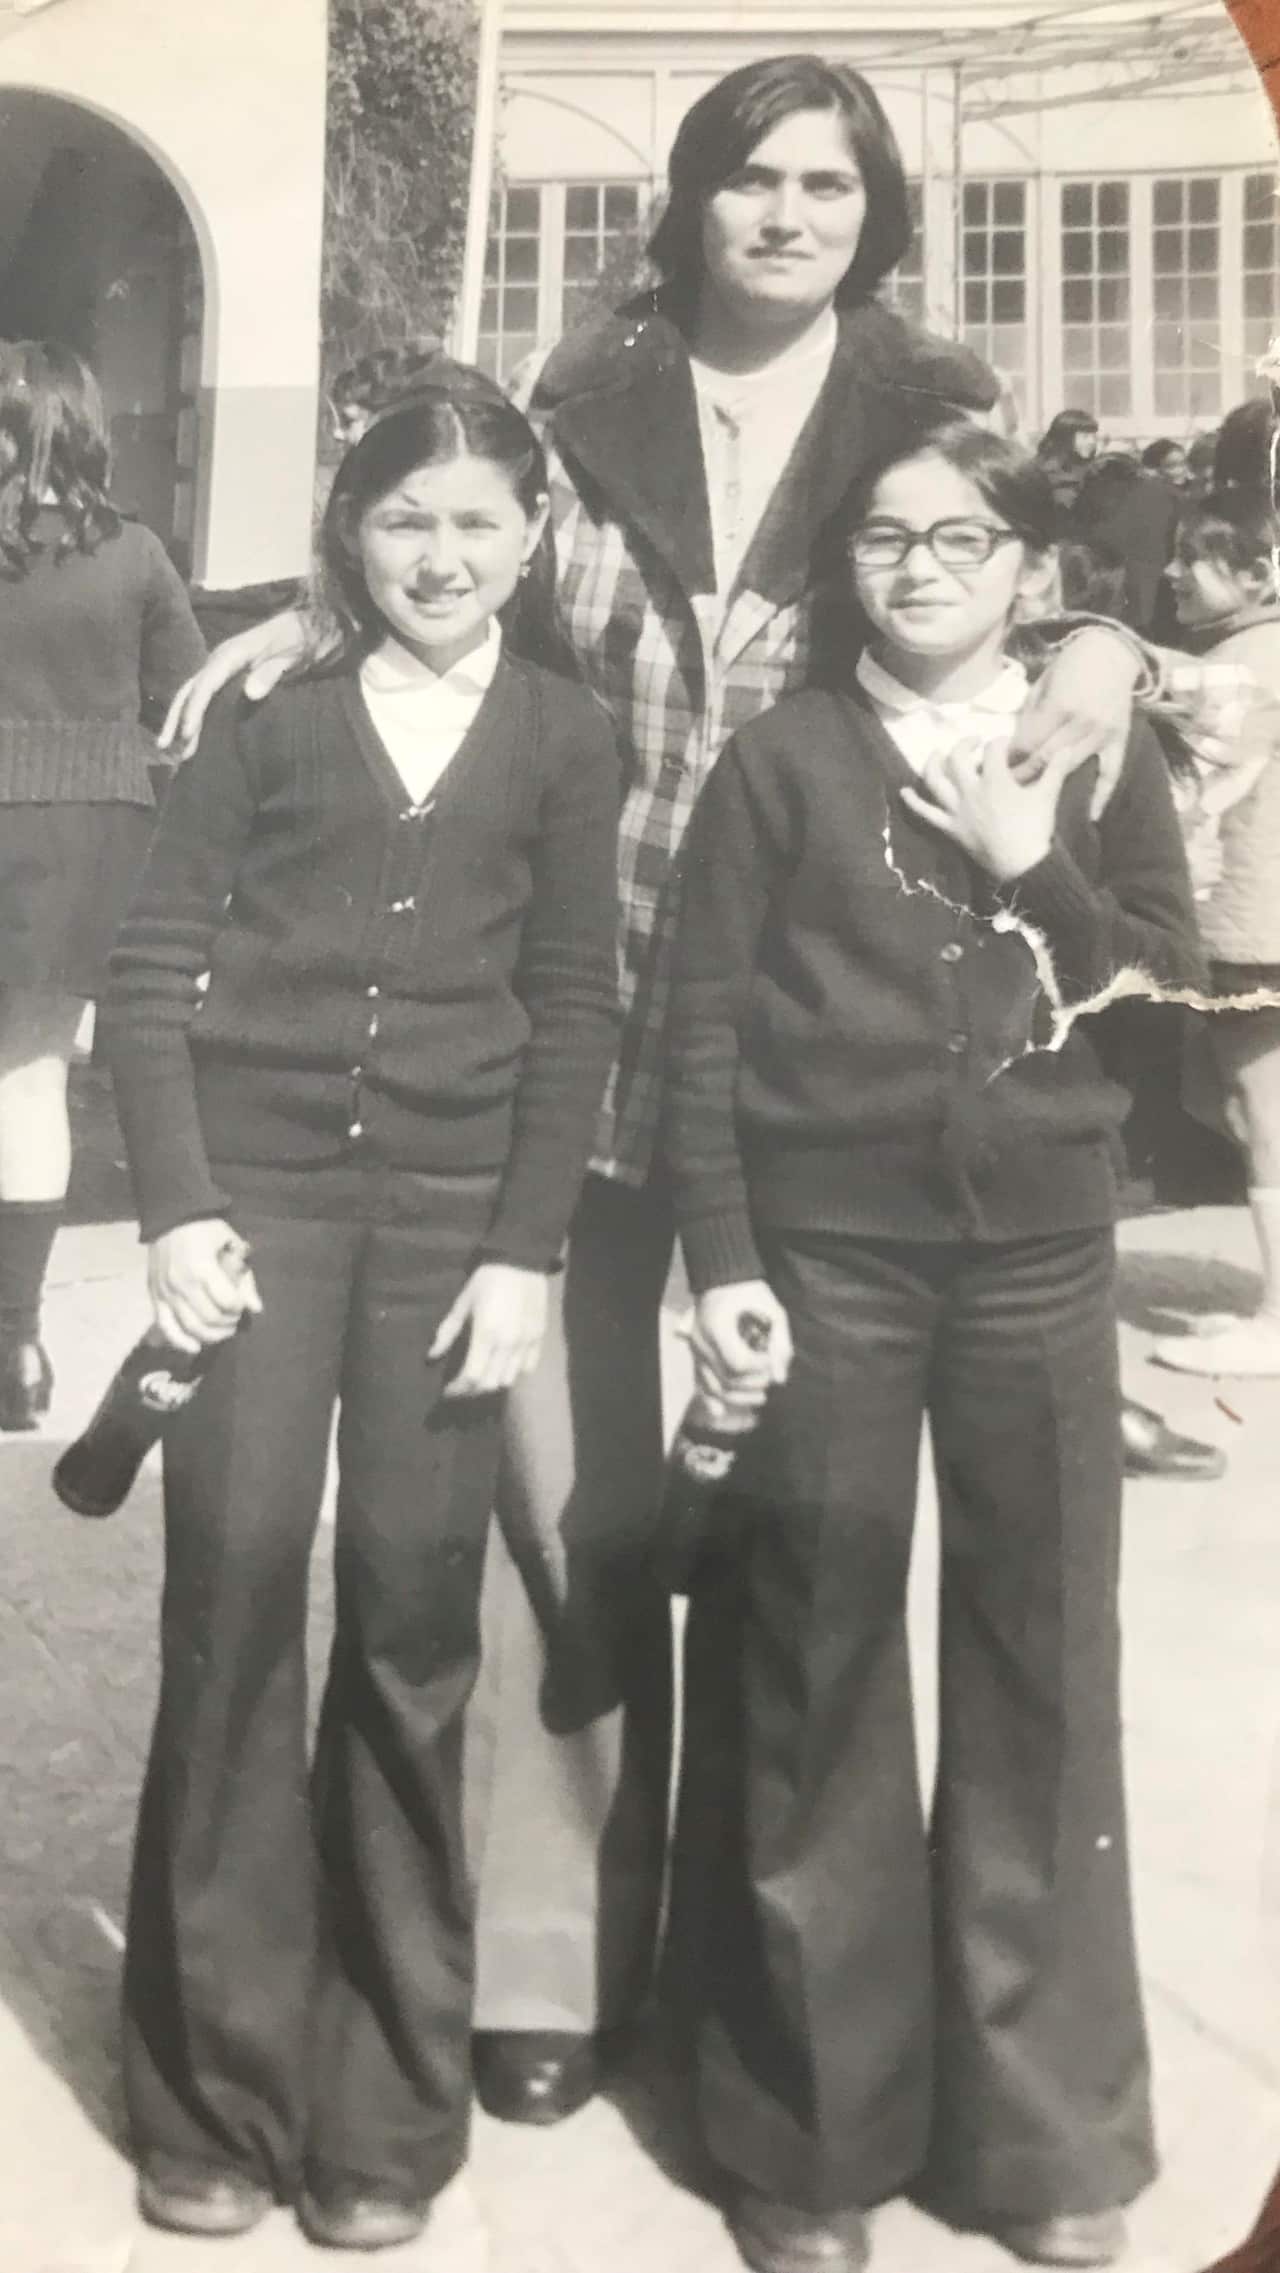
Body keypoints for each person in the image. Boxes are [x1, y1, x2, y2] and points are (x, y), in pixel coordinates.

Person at [155, 55, 1157, 2126]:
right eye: (745, 181)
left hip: (820, 1041)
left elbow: (997, 586)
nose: (783, 217)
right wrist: (285, 627)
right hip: (570, 1023)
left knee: (794, 1533)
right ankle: (541, 1956)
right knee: (566, 1508)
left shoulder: (930, 407)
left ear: (873, 218)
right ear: (687, 200)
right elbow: (442, 549)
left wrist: (1110, 651)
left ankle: (781, 1990)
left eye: (825, 186)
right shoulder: (585, 390)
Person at [664, 421, 1203, 2273]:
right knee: (809, 1657)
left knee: (1040, 1656)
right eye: (881, 540)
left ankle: (1041, 2128)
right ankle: (807, 2133)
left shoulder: (1097, 744)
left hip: (1042, 1259)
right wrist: (721, 1250)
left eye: (958, 536)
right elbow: (699, 1027)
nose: (918, 566)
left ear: (1027, 572)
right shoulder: (781, 762)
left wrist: (1034, 854)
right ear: (846, 575)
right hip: (829, 1257)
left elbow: (1163, 999)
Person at [97, 373, 621, 2251]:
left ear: (534, 536)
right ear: (352, 536)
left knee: (412, 1630)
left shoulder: (565, 738)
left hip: (452, 1236)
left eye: (482, 522)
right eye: (408, 522)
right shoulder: (264, 717)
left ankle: (391, 2100)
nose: (444, 557)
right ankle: (214, 2091)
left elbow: (575, 1008)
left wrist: (523, 1251)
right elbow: (152, 977)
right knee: (233, 1600)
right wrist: (176, 1214)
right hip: (259, 1218)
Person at [0, 338, 205, 1429]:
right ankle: (15, 1353)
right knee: (29, 1082)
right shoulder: (135, 555)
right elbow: (187, 702)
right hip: (92, 834)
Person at [1151, 484, 1280, 1376]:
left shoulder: (1247, 658)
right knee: (1236, 1100)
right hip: (1255, 909)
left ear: (1257, 572)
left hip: (1254, 915)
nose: (1170, 571)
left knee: (1258, 1105)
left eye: (1192, 556)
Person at [1035, 407, 1100, 522]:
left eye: (1094, 436)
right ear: (1066, 438)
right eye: (1085, 436)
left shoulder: (1090, 468)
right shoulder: (1049, 472)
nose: (1092, 442)